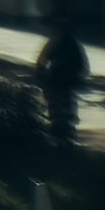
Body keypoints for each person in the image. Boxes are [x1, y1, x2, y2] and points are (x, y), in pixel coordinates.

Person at [36, 22, 89, 151]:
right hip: (65, 83)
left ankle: (61, 136)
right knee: (66, 110)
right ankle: (65, 136)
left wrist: (42, 76)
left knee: (59, 111)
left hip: (58, 82)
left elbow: (41, 62)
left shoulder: (55, 43)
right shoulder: (74, 45)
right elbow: (84, 67)